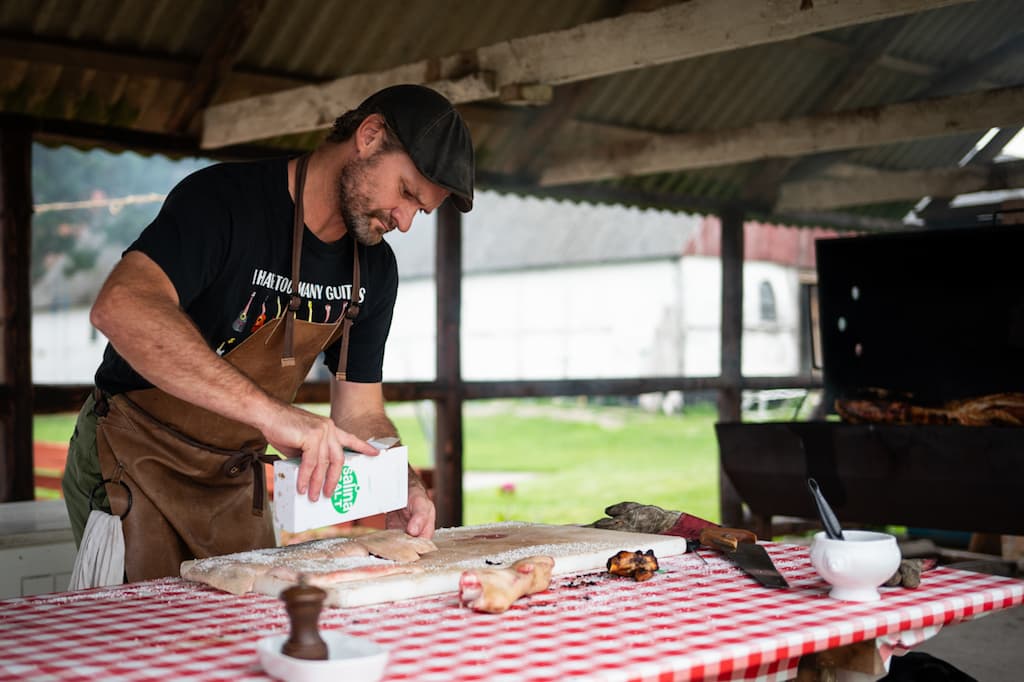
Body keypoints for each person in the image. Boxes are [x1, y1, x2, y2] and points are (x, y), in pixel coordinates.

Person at [61, 84, 475, 582]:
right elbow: (121, 306)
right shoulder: (224, 201)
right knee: (141, 644)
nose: (404, 221)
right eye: (406, 192)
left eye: (420, 211)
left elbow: (362, 411)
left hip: (233, 481)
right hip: (130, 458)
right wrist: (273, 415)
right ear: (369, 136)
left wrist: (398, 483)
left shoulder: (376, 270)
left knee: (241, 638)